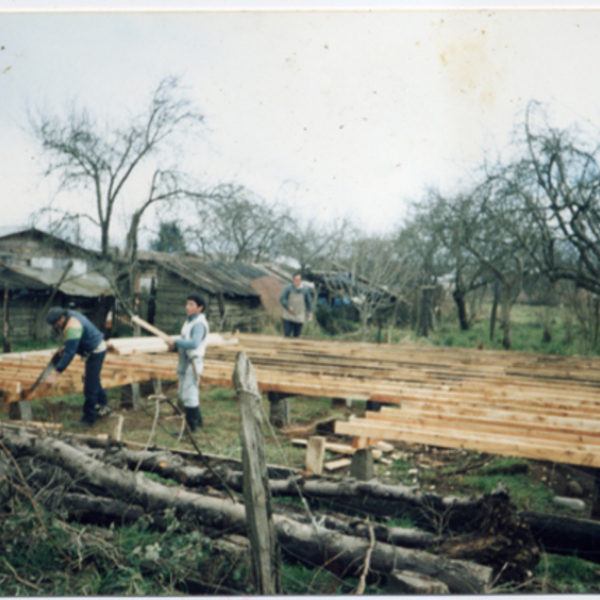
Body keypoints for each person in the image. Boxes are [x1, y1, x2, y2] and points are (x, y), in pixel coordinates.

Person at [44, 306, 109, 427]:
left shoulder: (73, 325)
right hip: (94, 347)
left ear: (62, 318)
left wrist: (55, 373)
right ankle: (103, 407)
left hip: (95, 351)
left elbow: (70, 353)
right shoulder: (69, 315)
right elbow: (74, 342)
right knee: (94, 381)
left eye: (56, 323)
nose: (55, 326)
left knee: (90, 387)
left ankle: (88, 419)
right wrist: (68, 345)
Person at [167, 294, 208, 432]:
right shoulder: (189, 322)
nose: (187, 307)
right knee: (188, 393)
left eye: (191, 304)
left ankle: (191, 428)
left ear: (200, 307)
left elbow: (194, 343)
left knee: (190, 395)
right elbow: (185, 339)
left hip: (194, 362)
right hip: (186, 361)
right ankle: (198, 423)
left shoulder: (199, 324)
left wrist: (176, 342)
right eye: (187, 304)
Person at [280, 273, 313, 338]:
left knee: (297, 336)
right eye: (295, 279)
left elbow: (309, 302)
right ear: (293, 280)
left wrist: (310, 311)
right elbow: (282, 298)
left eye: (299, 280)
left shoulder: (305, 289)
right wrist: (288, 306)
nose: (297, 281)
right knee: (287, 335)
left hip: (299, 315)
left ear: (301, 280)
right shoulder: (288, 287)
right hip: (288, 315)